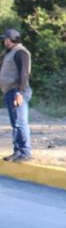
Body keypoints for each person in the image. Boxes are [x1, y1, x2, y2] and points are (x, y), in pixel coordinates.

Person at [1, 28, 32, 162]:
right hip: (10, 91)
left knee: (20, 122)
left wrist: (20, 92)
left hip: (17, 91)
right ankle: (17, 151)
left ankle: (25, 152)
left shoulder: (20, 53)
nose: (3, 41)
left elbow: (24, 73)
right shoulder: (9, 53)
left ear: (9, 40)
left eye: (5, 39)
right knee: (15, 123)